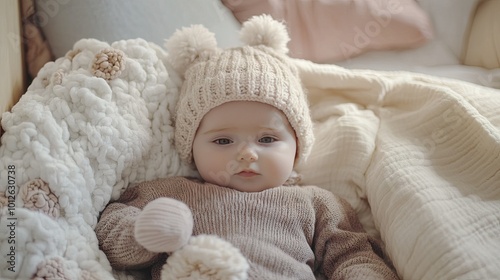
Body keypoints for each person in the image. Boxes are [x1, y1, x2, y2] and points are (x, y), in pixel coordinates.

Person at [95, 15, 399, 280]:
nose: (246, 154)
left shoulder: (315, 204)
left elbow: (355, 256)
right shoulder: (173, 194)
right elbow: (108, 230)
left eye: (267, 139)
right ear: (191, 148)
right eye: (223, 141)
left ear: (297, 146)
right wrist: (145, 233)